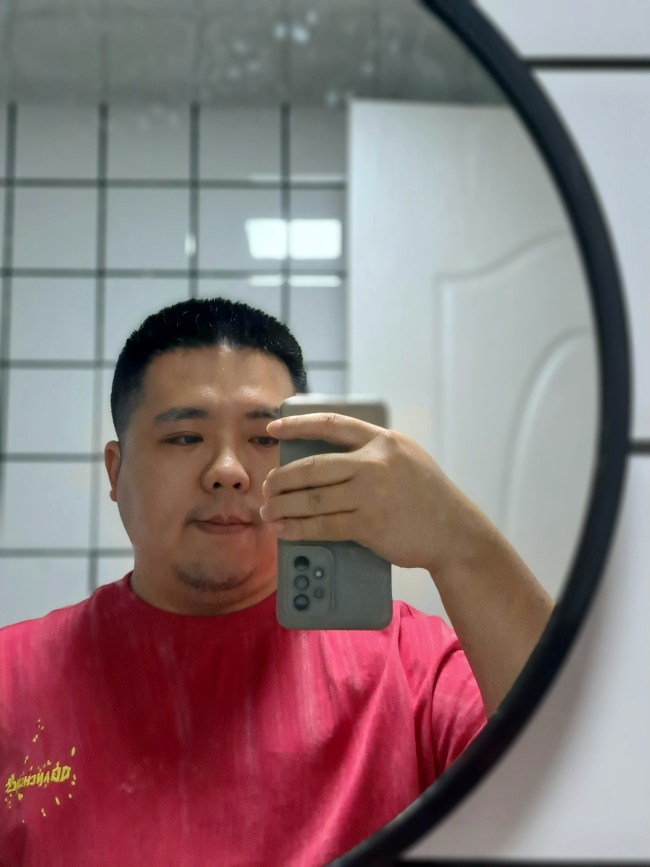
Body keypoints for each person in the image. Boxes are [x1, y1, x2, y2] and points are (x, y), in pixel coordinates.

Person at [0, 297, 554, 867]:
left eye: (264, 440)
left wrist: (458, 542)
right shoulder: (10, 678)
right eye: (186, 437)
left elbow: (570, 766)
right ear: (117, 473)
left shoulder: (410, 665)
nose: (228, 471)